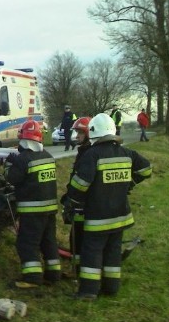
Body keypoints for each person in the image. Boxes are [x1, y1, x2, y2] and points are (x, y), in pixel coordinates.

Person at [65, 113, 152, 300]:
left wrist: (71, 201)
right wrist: (129, 183)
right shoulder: (126, 152)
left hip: (98, 217)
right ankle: (111, 287)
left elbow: (80, 185)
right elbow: (146, 169)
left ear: (93, 132)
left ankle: (88, 291)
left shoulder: (92, 154)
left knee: (92, 252)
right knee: (112, 252)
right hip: (120, 216)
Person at [6, 120, 61, 289]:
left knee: (27, 243)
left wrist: (9, 164)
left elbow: (11, 179)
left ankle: (32, 278)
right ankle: (54, 274)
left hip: (32, 211)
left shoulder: (23, 160)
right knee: (48, 241)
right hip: (50, 210)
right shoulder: (48, 156)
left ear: (23, 138)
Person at [61, 116, 91, 276]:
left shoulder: (89, 153)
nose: (77, 135)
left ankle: (80, 272)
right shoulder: (83, 151)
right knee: (76, 238)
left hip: (83, 205)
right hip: (79, 203)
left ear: (88, 133)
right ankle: (78, 270)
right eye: (76, 132)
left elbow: (82, 181)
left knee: (79, 239)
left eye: (80, 132)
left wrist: (71, 198)